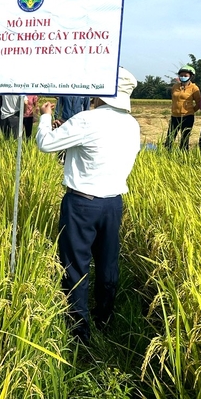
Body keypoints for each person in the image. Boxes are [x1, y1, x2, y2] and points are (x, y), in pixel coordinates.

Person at [35, 67, 141, 344]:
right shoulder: (132, 124)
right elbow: (98, 153)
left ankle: (78, 331)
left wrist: (45, 118)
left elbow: (45, 144)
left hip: (81, 204)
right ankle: (104, 317)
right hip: (113, 203)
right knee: (107, 262)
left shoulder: (87, 120)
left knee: (75, 265)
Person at [164, 64, 201, 151]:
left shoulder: (194, 88)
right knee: (170, 137)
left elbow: (199, 102)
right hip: (175, 116)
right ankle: (167, 154)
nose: (183, 77)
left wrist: (191, 110)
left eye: (185, 75)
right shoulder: (175, 86)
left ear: (191, 76)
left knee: (184, 139)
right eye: (181, 75)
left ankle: (183, 156)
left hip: (187, 117)